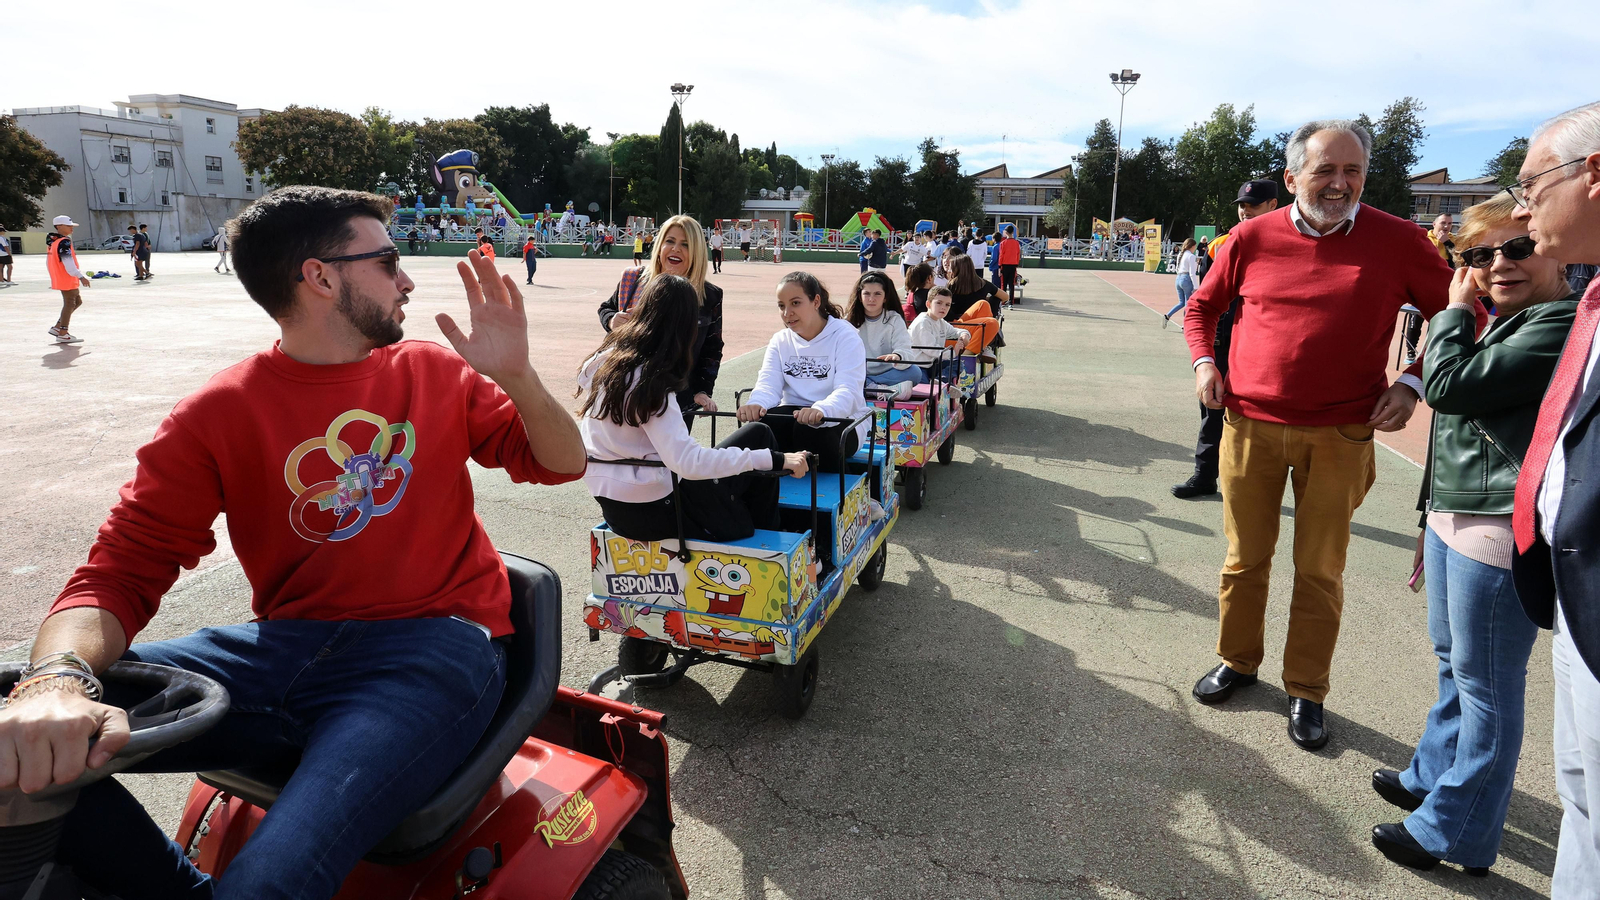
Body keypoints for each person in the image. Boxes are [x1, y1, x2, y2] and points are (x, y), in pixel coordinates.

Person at [0, 186, 586, 899]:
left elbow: (561, 462)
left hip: (434, 650)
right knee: (10, 729)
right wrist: (56, 681)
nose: (406, 281)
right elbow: (118, 570)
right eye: (389, 261)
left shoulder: (433, 372)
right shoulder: (218, 413)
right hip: (281, 651)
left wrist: (518, 378)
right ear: (321, 276)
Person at [1184, 119, 1461, 751]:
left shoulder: (1398, 240)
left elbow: (1458, 312)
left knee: (1319, 569)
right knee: (1243, 558)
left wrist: (1413, 381)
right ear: (1291, 179)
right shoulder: (1250, 237)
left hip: (1341, 432)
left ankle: (1306, 689)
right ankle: (1239, 661)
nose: (1339, 185)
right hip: (1250, 424)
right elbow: (1201, 307)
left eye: (1353, 172)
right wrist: (1206, 363)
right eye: (1324, 171)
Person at [1371, 193, 1578, 876]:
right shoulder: (1514, 319)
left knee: (1488, 685)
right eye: (1479, 255)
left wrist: (1455, 311)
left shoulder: (1558, 321)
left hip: (1495, 526)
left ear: (1551, 247)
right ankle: (1433, 774)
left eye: (1517, 247)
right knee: (1454, 666)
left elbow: (1450, 387)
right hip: (1457, 512)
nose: (1499, 265)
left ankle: (1455, 831)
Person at [1505, 100, 1600, 899]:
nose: (1522, 203)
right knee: (1582, 805)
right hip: (1572, 598)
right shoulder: (1592, 295)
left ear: (1594, 174)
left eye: (1533, 183)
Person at [580, 274, 808, 543]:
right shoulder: (652, 384)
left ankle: (769, 528)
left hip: (615, 507)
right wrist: (777, 459)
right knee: (745, 517)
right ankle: (773, 546)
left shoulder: (606, 363)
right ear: (686, 326)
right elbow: (688, 463)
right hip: (659, 511)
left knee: (758, 433)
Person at [1173, 180, 1280, 499]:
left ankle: (1251, 485)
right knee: (1212, 413)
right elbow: (1206, 301)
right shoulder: (1222, 243)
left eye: (1254, 205)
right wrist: (1210, 350)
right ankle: (1204, 476)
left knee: (1257, 420)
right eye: (1242, 204)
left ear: (1273, 205)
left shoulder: (1286, 244)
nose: (1246, 210)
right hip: (1223, 343)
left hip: (1262, 347)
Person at [737, 271, 868, 471]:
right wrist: (756, 403)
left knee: (809, 431)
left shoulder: (845, 336)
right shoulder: (780, 340)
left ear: (816, 301)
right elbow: (768, 384)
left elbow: (848, 391)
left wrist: (821, 410)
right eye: (781, 306)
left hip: (842, 420)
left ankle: (853, 496)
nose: (787, 313)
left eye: (795, 303)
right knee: (760, 429)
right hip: (795, 416)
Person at [598, 215, 723, 419]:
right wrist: (612, 320)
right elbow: (606, 309)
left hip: (678, 401)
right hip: (629, 393)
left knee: (672, 452)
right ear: (660, 246)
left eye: (685, 244)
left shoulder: (710, 296)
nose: (676, 249)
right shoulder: (635, 280)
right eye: (670, 241)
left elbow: (712, 348)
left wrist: (702, 390)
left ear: (697, 252)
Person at [846, 270, 923, 397]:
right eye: (867, 294)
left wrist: (897, 356)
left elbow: (904, 347)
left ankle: (870, 388)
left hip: (889, 371)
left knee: (915, 372)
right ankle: (878, 389)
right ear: (860, 296)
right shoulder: (849, 321)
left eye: (877, 294)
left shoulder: (894, 319)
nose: (871, 299)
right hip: (860, 373)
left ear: (885, 297)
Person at [945, 252, 1005, 364]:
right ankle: (968, 354)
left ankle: (982, 345)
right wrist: (992, 298)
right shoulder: (983, 283)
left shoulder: (951, 285)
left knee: (983, 304)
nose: (949, 270)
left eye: (951, 268)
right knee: (991, 322)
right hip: (955, 326)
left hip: (958, 321)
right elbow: (1005, 296)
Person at [46, 215, 90, 344]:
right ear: (59, 227)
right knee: (70, 303)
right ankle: (63, 333)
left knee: (77, 301)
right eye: (68, 226)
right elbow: (68, 261)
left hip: (62, 276)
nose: (72, 228)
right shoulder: (64, 241)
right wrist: (80, 276)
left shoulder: (53, 242)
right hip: (67, 276)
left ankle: (58, 327)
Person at [908, 286, 968, 380]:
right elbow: (932, 350)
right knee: (925, 391)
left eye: (947, 305)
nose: (943, 307)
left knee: (958, 363)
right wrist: (954, 352)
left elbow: (954, 331)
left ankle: (941, 381)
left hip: (931, 364)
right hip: (917, 366)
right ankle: (940, 384)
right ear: (928, 304)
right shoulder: (922, 323)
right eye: (939, 303)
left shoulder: (940, 321)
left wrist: (964, 334)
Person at [1165, 238, 1199, 322]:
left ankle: (1168, 316)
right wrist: (1196, 287)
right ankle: (1185, 324)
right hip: (1186, 278)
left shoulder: (1181, 254)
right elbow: (1192, 273)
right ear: (1193, 246)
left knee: (1181, 302)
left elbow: (1177, 268)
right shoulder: (1191, 256)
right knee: (1188, 303)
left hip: (1178, 278)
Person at [997, 226, 1022, 297]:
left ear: (1006, 232)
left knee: (1003, 284)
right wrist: (1016, 263)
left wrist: (999, 266)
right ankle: (1011, 302)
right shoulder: (1016, 243)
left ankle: (1003, 300)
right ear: (1013, 232)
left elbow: (1001, 255)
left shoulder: (1003, 243)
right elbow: (1018, 254)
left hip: (1004, 265)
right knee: (1012, 284)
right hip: (1013, 265)